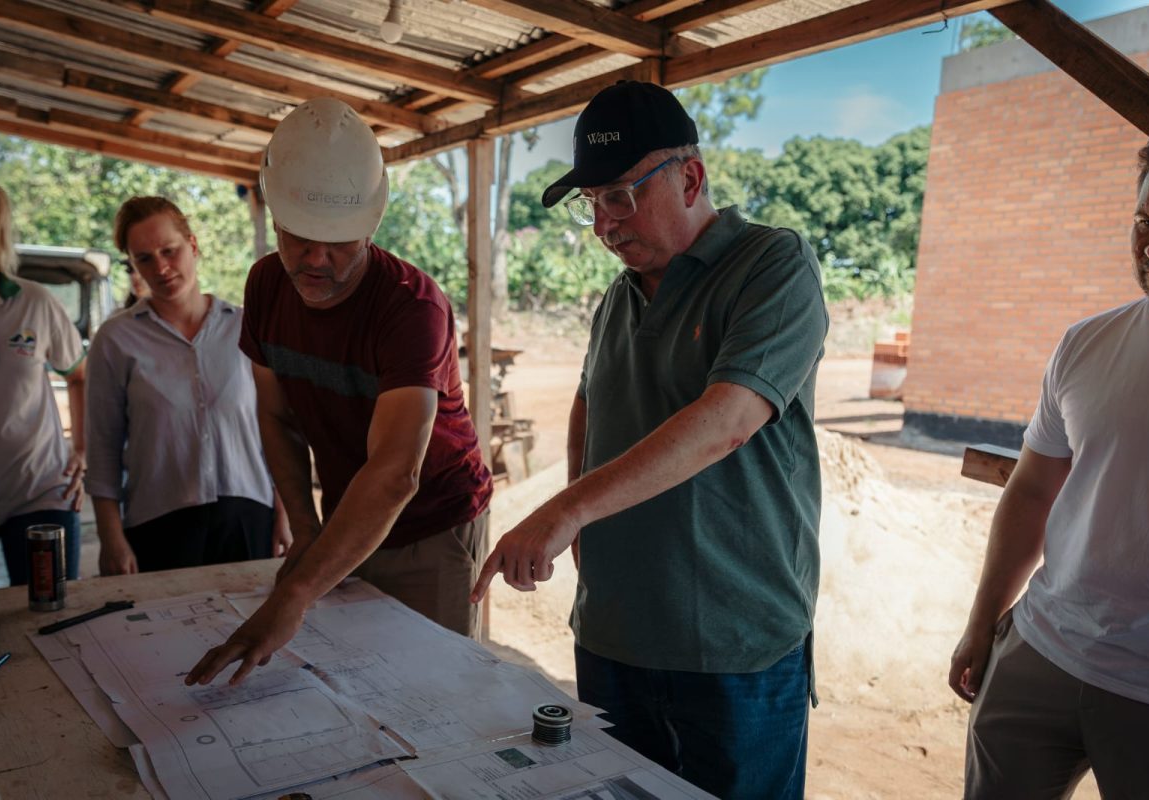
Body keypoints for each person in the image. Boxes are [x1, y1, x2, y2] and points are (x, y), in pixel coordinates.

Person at [470, 81, 829, 799]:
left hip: (734, 644)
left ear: (690, 177)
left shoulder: (770, 268)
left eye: (620, 197)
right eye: (593, 203)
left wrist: (565, 511)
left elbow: (726, 422)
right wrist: (583, 522)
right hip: (613, 630)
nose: (604, 223)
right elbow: (589, 405)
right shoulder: (618, 295)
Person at [186, 97, 492, 687]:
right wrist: (306, 528)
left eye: (340, 241)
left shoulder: (412, 308)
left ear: (372, 224)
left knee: (433, 690)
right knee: (351, 686)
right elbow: (275, 418)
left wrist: (298, 591)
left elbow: (396, 474)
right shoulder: (267, 285)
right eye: (299, 236)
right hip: (342, 519)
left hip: (433, 522)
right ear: (274, 216)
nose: (316, 259)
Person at [948, 119, 1149, 799]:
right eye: (1147, 219)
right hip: (1043, 649)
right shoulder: (1086, 343)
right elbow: (1031, 494)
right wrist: (982, 623)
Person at [85, 196, 289, 574]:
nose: (161, 267)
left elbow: (276, 427)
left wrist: (286, 512)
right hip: (159, 525)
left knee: (254, 629)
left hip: (248, 516)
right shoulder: (116, 340)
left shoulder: (246, 327)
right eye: (144, 258)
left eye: (169, 250)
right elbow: (103, 447)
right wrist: (111, 537)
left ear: (193, 246)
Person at [0, 184, 86, 584]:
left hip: (40, 488)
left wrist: (82, 451)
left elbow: (79, 376)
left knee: (48, 617)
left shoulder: (35, 302)